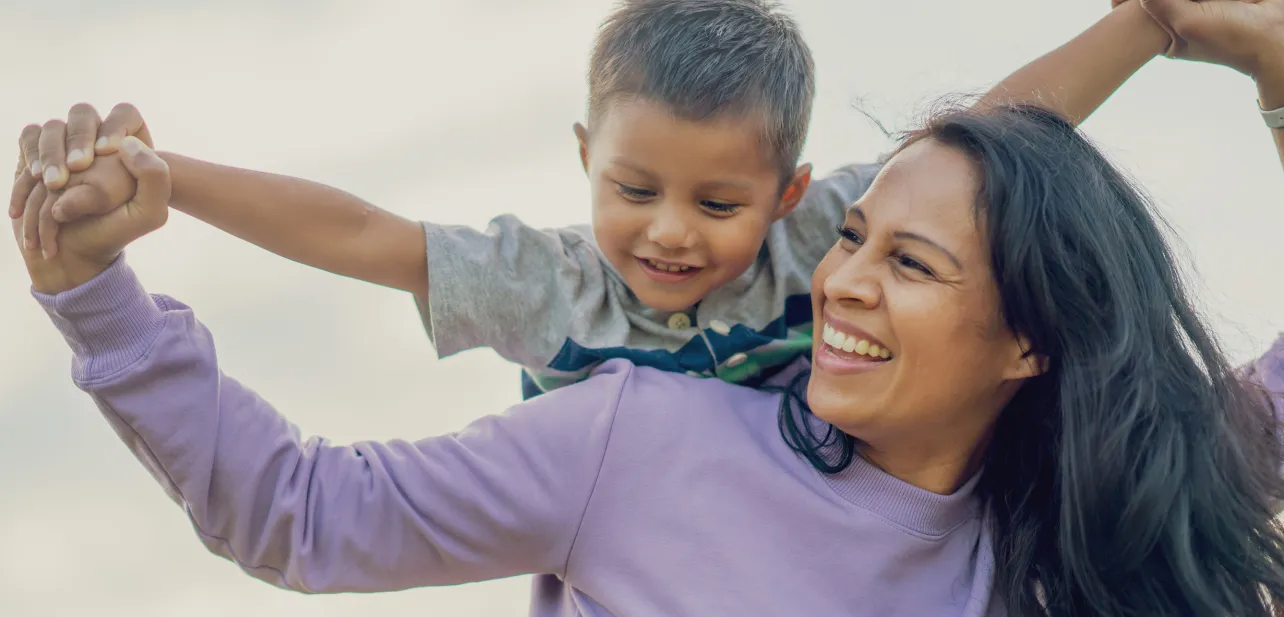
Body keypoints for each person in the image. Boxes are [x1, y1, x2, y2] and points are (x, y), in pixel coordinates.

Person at [12, 0, 1284, 615]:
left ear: (1030, 344)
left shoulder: (1103, 490)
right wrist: (101, 298)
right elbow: (299, 512)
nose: (844, 279)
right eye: (856, 239)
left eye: (912, 264)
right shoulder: (637, 440)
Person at [11, 0, 1167, 399]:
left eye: (719, 203)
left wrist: (1149, 22)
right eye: (634, 187)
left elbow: (991, 134)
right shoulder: (547, 282)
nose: (668, 230)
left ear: (789, 194)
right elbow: (365, 232)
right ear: (583, 158)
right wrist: (176, 181)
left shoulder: (820, 242)